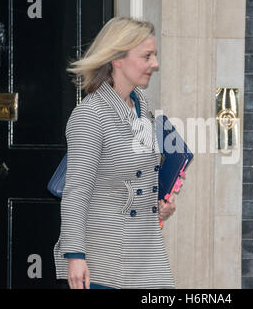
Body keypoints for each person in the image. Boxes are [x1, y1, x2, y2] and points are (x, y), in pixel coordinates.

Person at [53, 17, 176, 289]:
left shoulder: (142, 107)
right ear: (117, 59)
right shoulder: (90, 115)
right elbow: (77, 191)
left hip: (145, 254)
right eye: (147, 56)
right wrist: (75, 255)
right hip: (103, 260)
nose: (155, 64)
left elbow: (138, 179)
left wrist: (157, 206)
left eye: (154, 55)